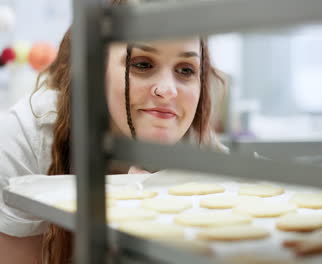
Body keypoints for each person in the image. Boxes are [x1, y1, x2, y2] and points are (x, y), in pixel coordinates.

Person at [0, 0, 226, 263]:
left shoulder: (201, 149)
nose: (167, 90)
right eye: (142, 64)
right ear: (95, 69)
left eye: (186, 70)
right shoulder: (28, 137)